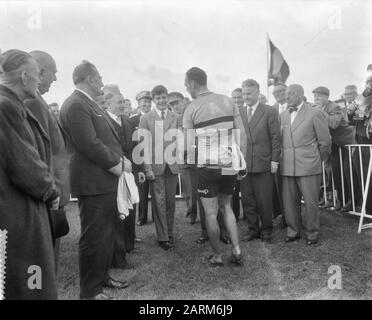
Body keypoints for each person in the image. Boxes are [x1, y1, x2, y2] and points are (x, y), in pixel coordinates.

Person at [60, 61, 130, 300]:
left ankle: (102, 279)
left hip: (104, 181)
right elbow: (89, 144)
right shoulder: (75, 104)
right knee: (94, 237)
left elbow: (102, 141)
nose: (101, 82)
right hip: (93, 183)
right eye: (99, 78)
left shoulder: (87, 103)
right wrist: (119, 165)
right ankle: (89, 292)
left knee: (106, 235)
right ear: (90, 79)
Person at [0, 49, 59, 299]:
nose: (41, 80)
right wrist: (50, 190)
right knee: (31, 284)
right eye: (37, 75)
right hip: (18, 211)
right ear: (24, 76)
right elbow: (24, 164)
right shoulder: (6, 107)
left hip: (13, 208)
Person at [183, 67, 247, 266]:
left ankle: (218, 256)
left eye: (186, 84)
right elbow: (241, 134)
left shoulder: (191, 108)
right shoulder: (228, 101)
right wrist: (240, 162)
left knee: (211, 213)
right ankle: (236, 250)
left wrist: (193, 162)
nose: (186, 88)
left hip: (207, 166)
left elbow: (189, 144)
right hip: (229, 163)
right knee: (226, 206)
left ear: (193, 83)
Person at [24, 50, 70, 275]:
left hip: (51, 194)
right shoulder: (32, 102)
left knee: (49, 258)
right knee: (44, 262)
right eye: (54, 73)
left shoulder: (37, 100)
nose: (55, 78)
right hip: (47, 195)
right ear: (40, 72)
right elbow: (37, 155)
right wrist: (52, 191)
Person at [281, 84, 331, 245]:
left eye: (290, 93)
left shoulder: (315, 113)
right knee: (289, 202)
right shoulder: (283, 115)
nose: (287, 96)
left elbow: (325, 142)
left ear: (300, 94)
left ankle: (312, 233)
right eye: (286, 94)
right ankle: (293, 231)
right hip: (288, 166)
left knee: (310, 202)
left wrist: (316, 160)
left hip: (309, 166)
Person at [102, 85, 143, 269]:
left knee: (130, 207)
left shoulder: (127, 121)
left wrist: (139, 168)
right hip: (112, 173)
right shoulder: (102, 121)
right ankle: (117, 255)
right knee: (118, 212)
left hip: (129, 172)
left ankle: (129, 244)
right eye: (119, 102)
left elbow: (135, 147)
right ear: (107, 103)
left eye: (123, 102)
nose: (123, 105)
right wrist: (119, 162)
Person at [139, 85, 180, 250]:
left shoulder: (174, 117)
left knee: (170, 202)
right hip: (155, 168)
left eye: (164, 97)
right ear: (154, 100)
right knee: (159, 202)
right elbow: (143, 146)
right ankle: (162, 238)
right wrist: (147, 168)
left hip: (172, 166)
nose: (162, 100)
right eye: (158, 98)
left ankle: (169, 233)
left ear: (167, 98)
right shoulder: (146, 118)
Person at [239, 79, 280, 243]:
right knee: (248, 199)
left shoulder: (269, 111)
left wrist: (275, 160)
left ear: (257, 93)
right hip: (244, 164)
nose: (246, 96)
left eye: (249, 93)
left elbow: (276, 137)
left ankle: (266, 230)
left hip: (264, 162)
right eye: (243, 93)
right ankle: (253, 229)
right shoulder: (239, 112)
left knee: (264, 200)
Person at [312, 86, 356, 212]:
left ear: (326, 97)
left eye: (319, 96)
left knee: (346, 173)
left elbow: (334, 124)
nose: (316, 99)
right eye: (315, 96)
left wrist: (320, 111)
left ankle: (350, 201)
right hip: (331, 144)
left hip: (344, 144)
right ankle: (340, 200)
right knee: (334, 174)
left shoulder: (334, 107)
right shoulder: (317, 108)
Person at [130, 90, 152, 226]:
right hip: (141, 160)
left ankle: (157, 216)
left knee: (157, 192)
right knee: (142, 192)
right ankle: (142, 217)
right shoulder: (132, 120)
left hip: (155, 159)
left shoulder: (156, 118)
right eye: (144, 101)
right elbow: (132, 142)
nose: (147, 104)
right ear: (138, 103)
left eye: (149, 101)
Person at [271, 83, 288, 227]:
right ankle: (284, 215)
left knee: (292, 188)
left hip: (293, 153)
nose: (278, 94)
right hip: (278, 153)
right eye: (275, 93)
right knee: (280, 186)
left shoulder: (296, 106)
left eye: (281, 91)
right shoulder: (273, 109)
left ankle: (294, 215)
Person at [231, 88, 244, 220]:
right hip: (234, 154)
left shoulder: (248, 112)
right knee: (233, 186)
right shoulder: (229, 114)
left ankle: (249, 213)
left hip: (247, 153)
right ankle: (234, 213)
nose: (236, 100)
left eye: (239, 97)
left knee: (247, 187)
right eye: (234, 98)